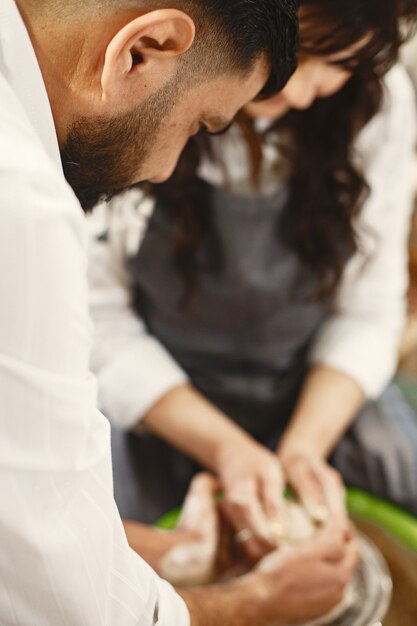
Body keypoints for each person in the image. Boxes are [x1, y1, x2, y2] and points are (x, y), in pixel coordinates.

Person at [0, 0, 361, 624]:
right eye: (200, 123)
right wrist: (257, 602)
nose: (164, 169)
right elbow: (69, 612)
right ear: (144, 48)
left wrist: (162, 553)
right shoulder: (23, 205)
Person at [89, 0, 417, 562]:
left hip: (317, 390)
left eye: (341, 65)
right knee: (124, 558)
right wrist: (226, 449)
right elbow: (97, 322)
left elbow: (369, 308)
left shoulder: (374, 107)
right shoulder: (142, 92)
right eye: (301, 54)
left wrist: (303, 450)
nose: (300, 89)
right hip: (163, 399)